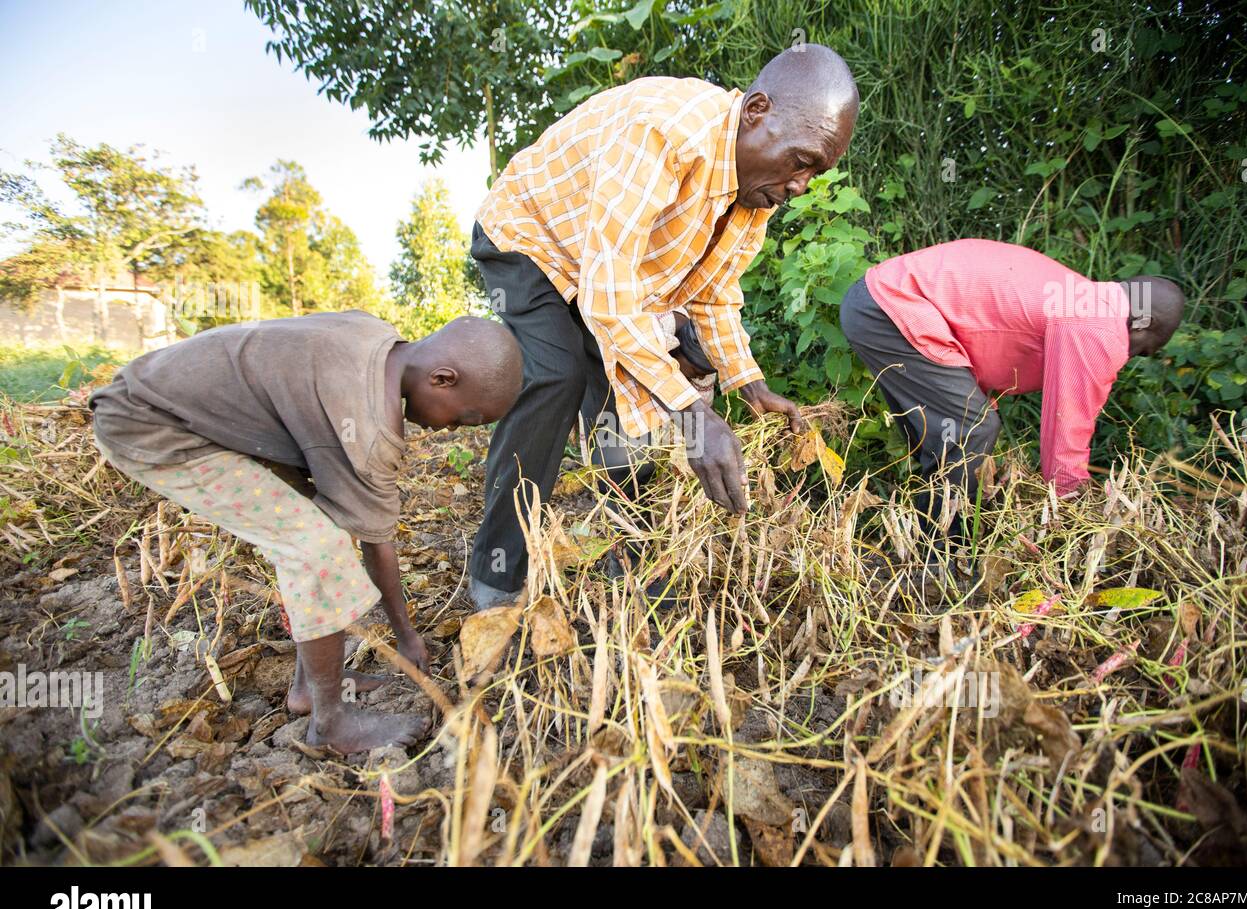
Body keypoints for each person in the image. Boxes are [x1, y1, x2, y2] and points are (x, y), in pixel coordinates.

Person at [468, 45, 860, 609]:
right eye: (801, 160)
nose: (800, 184)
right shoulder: (665, 134)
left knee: (624, 403)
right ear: (757, 110)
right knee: (554, 378)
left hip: (600, 273)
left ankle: (627, 567)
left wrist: (749, 385)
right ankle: (496, 579)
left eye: (816, 173)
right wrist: (692, 413)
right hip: (530, 239)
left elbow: (714, 294)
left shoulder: (754, 197)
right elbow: (611, 293)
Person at [89, 311, 523, 753]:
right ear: (443, 378)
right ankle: (330, 724)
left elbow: (354, 513)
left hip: (180, 402)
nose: (449, 430)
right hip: (153, 426)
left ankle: (307, 686)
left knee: (328, 522)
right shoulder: (367, 429)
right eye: (463, 420)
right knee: (315, 546)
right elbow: (377, 541)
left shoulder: (373, 335)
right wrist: (405, 634)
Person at [838, 239, 1185, 535]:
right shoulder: (1098, 324)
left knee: (946, 439)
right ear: (1143, 323)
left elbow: (983, 331)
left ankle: (922, 539)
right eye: (1140, 350)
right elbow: (1068, 421)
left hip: (877, 302)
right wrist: (1069, 504)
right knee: (971, 430)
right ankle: (941, 559)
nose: (1128, 357)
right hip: (892, 307)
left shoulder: (1082, 298)